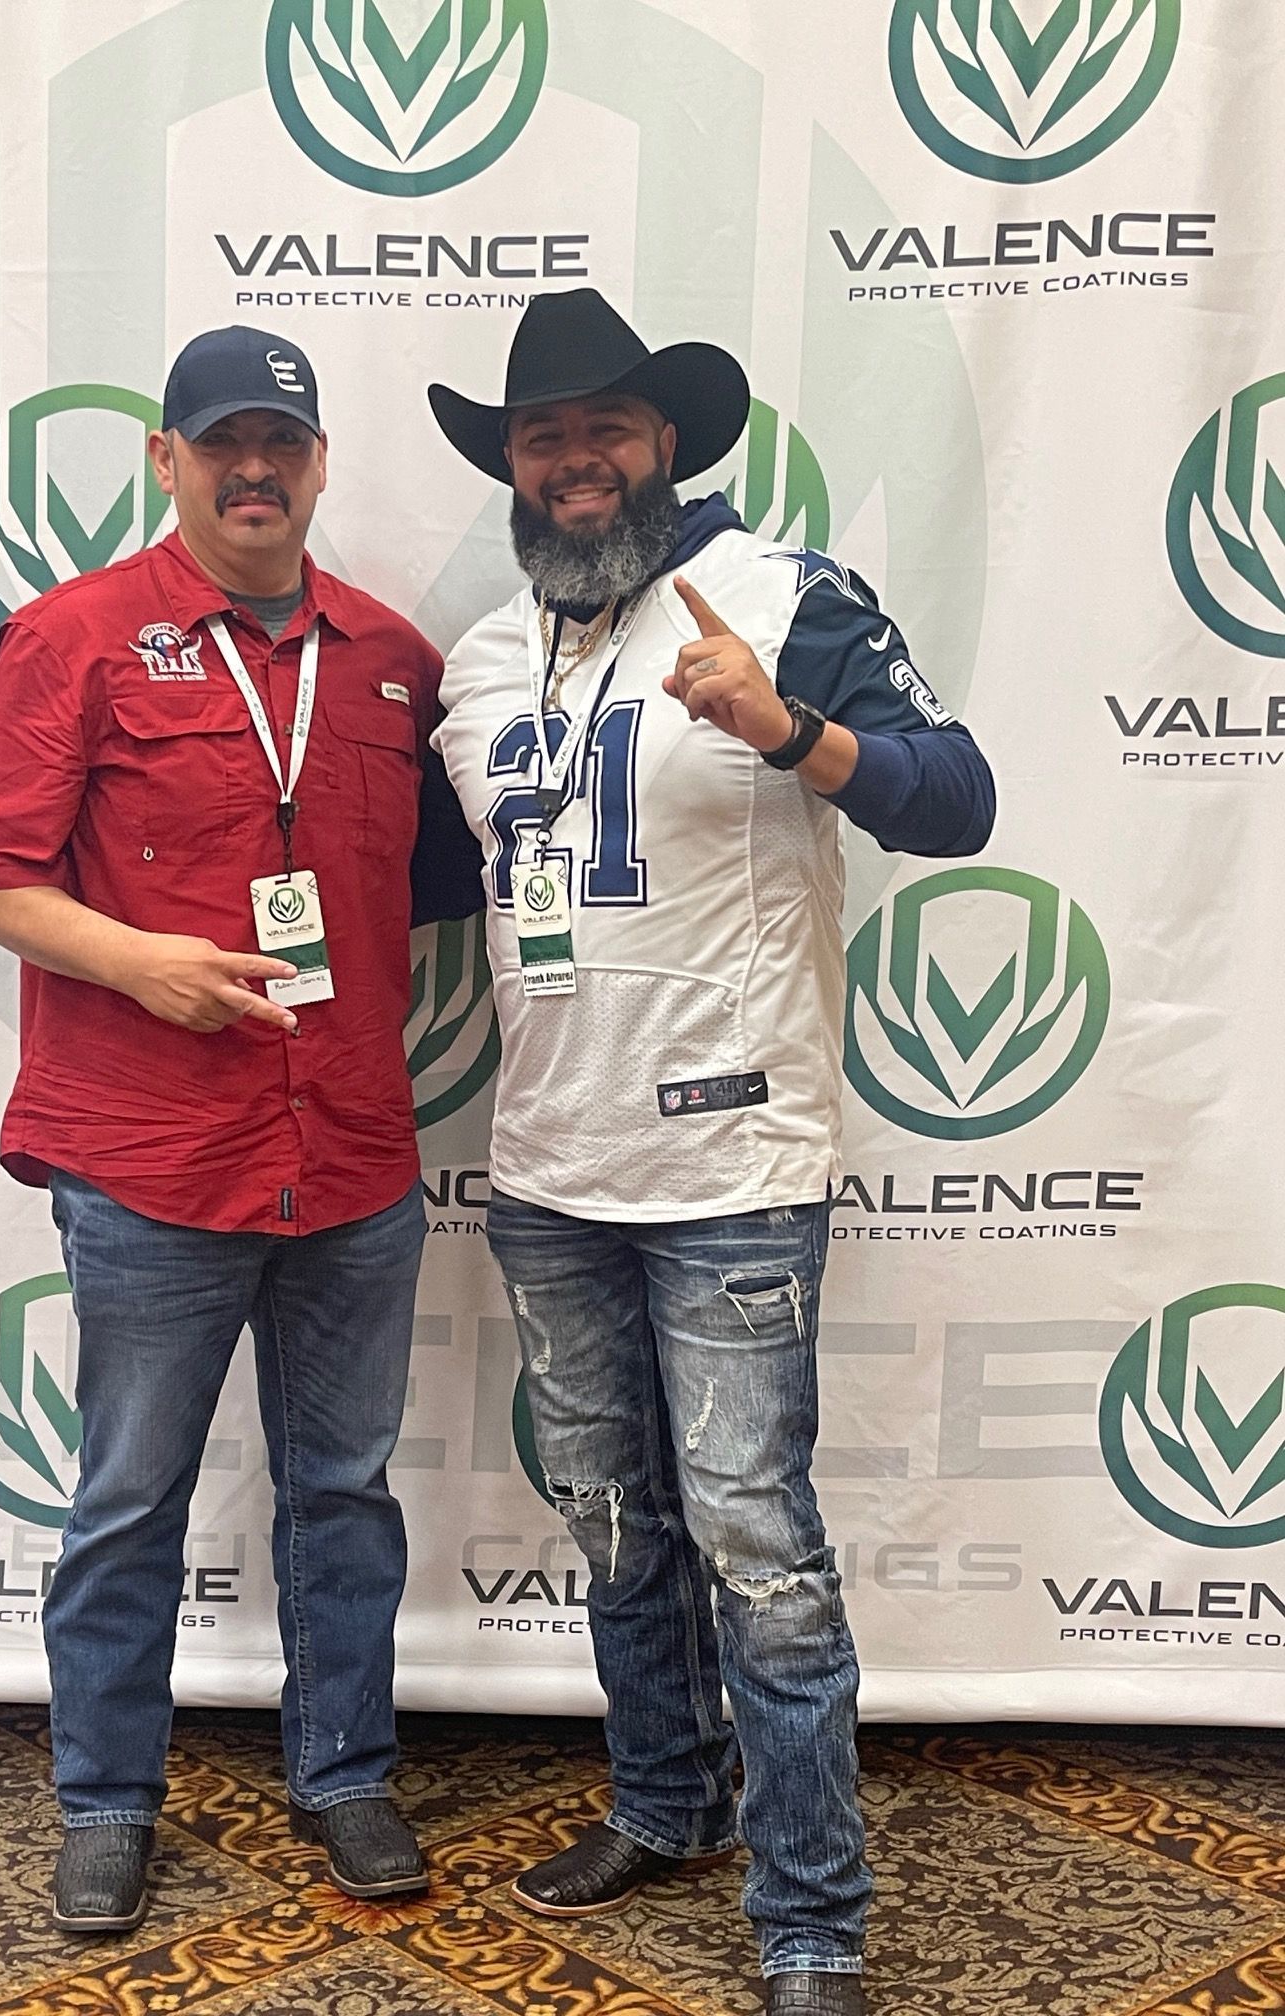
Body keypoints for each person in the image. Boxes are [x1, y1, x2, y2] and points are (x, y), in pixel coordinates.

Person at [427, 287, 995, 2015]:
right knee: (613, 1519)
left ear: (665, 442)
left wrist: (785, 731)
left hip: (734, 1170)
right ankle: (664, 1803)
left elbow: (958, 797)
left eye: (605, 427)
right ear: (513, 469)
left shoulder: (785, 595)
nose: (575, 460)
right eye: (544, 436)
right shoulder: (480, 660)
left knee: (758, 1542)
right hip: (549, 1167)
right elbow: (432, 882)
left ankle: (812, 1912)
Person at [0, 325, 479, 1934]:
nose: (255, 471)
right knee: (127, 1502)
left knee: (344, 1490)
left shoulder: (391, 659)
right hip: (151, 1159)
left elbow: (425, 890)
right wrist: (137, 961)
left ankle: (345, 1774)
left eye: (282, 445)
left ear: (319, 466)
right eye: (222, 443)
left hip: (354, 1155)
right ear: (166, 461)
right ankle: (105, 1799)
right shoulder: (76, 636)